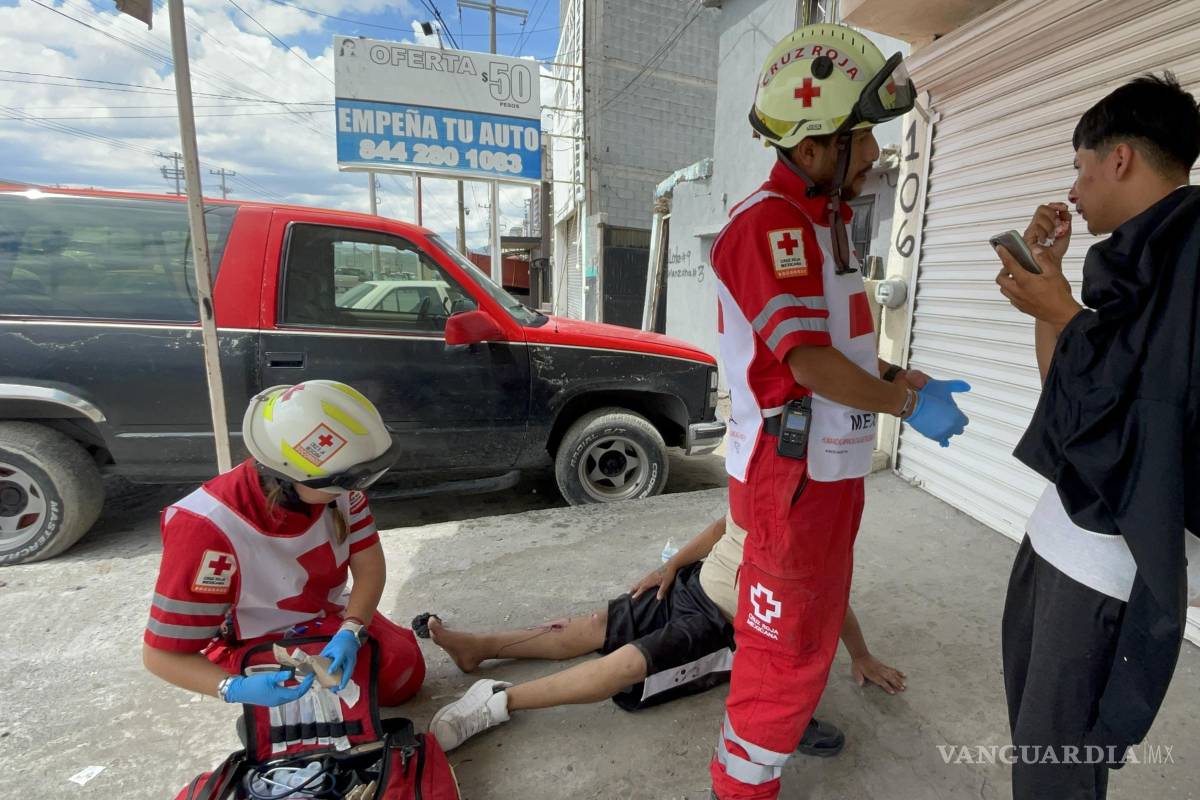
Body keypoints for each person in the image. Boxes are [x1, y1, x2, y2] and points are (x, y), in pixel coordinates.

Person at [709, 25, 972, 799]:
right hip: (788, 477)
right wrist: (905, 403)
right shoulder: (767, 224)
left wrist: (895, 373)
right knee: (780, 646)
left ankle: (783, 729)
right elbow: (807, 364)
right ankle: (741, 784)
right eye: (861, 139)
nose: (874, 155)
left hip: (827, 470)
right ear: (813, 144)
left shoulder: (822, 222)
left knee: (812, 619)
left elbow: (840, 348)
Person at [995, 74, 1200, 800]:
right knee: (1037, 751)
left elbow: (1163, 407)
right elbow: (1072, 397)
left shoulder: (1191, 253)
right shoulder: (1130, 259)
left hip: (1112, 566)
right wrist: (1051, 292)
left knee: (1056, 772)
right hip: (1059, 532)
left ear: (1119, 159)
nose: (1073, 192)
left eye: (1080, 168)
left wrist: (1067, 313)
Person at [423, 514, 906, 754]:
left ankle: (497, 701)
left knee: (625, 665)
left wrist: (860, 654)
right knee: (594, 625)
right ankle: (479, 648)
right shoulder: (759, 472)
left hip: (720, 627)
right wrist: (671, 566)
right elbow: (722, 529)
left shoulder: (821, 518)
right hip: (691, 584)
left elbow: (832, 597)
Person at [142, 380, 425, 710]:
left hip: (328, 614)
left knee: (401, 671)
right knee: (339, 697)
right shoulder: (205, 529)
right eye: (349, 481)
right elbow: (161, 656)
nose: (356, 490)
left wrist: (352, 628)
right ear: (291, 475)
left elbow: (369, 567)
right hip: (256, 637)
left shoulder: (336, 489)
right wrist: (232, 687)